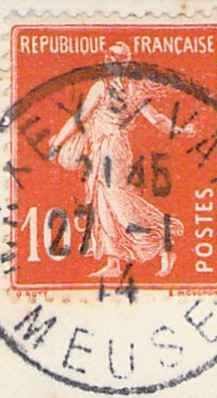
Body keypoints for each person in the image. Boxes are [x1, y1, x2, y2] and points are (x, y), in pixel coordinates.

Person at [46, 43, 197, 281]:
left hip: (109, 149)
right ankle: (113, 261)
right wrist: (182, 130)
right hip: (107, 148)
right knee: (101, 200)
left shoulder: (102, 87)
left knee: (115, 199)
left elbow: (80, 117)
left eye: (114, 58)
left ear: (123, 62)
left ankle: (162, 238)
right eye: (109, 57)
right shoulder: (133, 90)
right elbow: (157, 120)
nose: (110, 61)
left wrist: (57, 144)